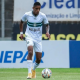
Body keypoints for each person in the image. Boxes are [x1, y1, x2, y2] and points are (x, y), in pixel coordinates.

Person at [19, 2, 50, 79]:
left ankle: (33, 70)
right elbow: (21, 22)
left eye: (39, 9)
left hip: (38, 38)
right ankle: (29, 73)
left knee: (39, 59)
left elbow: (47, 24)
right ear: (33, 8)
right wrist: (21, 33)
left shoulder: (42, 16)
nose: (38, 10)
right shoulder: (27, 14)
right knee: (30, 51)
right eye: (36, 8)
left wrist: (47, 32)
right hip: (29, 36)